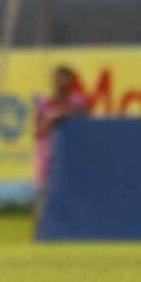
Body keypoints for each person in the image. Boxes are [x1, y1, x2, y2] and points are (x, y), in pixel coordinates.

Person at [34, 65, 89, 221]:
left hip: (72, 157)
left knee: (73, 194)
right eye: (59, 79)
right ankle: (40, 229)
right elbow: (38, 131)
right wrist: (51, 121)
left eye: (66, 79)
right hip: (48, 155)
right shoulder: (45, 104)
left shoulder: (78, 103)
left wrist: (64, 114)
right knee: (44, 191)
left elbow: (84, 118)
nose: (61, 83)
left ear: (72, 82)